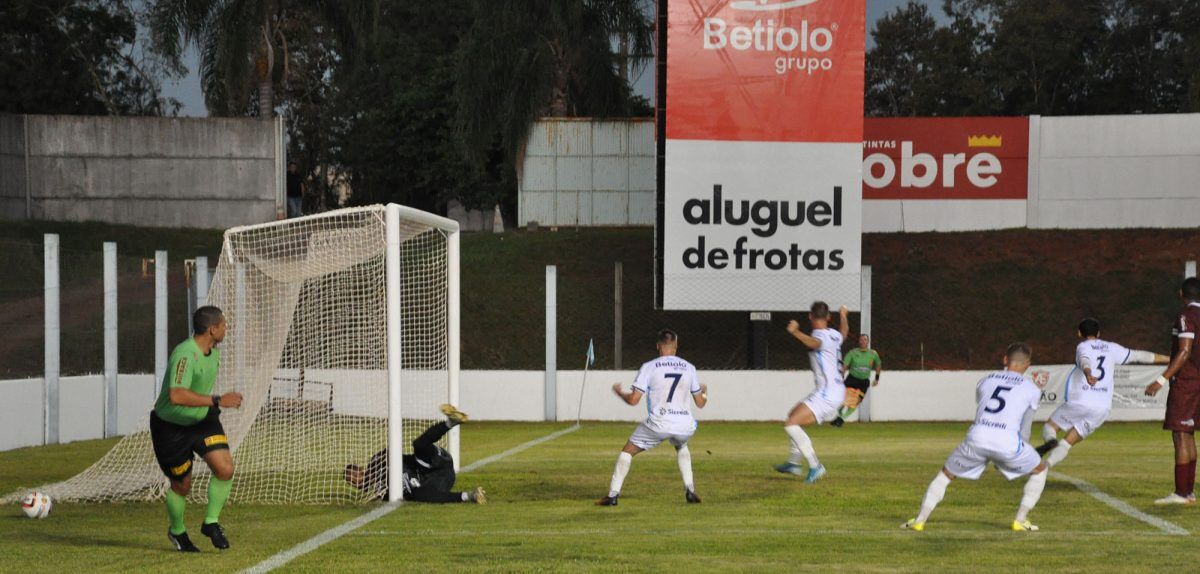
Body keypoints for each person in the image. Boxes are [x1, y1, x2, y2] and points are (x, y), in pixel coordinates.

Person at [902, 343, 1049, 532]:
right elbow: (1025, 429)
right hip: (1008, 442)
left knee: (946, 475)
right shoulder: (1032, 389)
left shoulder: (985, 380)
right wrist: (1016, 452)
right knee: (1040, 470)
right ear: (1028, 365)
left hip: (978, 436)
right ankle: (1020, 520)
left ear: (1005, 360)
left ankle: (920, 520)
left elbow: (983, 407)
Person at [149, 306, 243, 552]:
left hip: (201, 419)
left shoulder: (214, 353)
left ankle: (211, 523)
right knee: (182, 486)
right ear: (212, 329)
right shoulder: (185, 354)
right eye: (223, 324)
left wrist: (212, 405)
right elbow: (177, 395)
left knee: (225, 468)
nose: (226, 328)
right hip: (170, 427)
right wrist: (217, 400)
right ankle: (178, 532)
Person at [597, 329, 708, 506]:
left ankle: (612, 495)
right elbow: (701, 403)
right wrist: (704, 392)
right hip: (684, 425)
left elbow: (633, 400)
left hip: (659, 423)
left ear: (658, 346)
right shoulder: (689, 367)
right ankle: (690, 490)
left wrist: (619, 393)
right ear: (676, 346)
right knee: (681, 445)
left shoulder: (649, 367)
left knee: (628, 451)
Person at [1036, 318, 1168, 467]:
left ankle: (1050, 441)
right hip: (1102, 408)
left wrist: (1087, 373)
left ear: (1079, 333)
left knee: (1050, 427)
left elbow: (1084, 359)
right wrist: (1169, 359)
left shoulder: (1083, 346)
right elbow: (1140, 355)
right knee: (1067, 443)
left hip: (1080, 401)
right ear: (1099, 333)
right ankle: (1045, 467)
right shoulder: (1112, 348)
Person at [344, 404, 485, 504]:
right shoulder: (380, 493)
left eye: (355, 475)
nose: (356, 481)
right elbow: (405, 496)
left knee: (418, 445)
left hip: (431, 463)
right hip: (440, 480)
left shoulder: (375, 461)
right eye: (352, 481)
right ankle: (469, 496)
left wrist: (382, 476)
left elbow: (390, 453)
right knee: (418, 495)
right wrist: (382, 494)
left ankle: (450, 422)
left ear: (361, 469)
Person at [774, 302, 849, 482]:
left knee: (791, 424)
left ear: (810, 316)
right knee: (793, 415)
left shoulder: (820, 334)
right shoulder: (834, 334)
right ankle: (793, 463)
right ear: (829, 316)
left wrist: (795, 332)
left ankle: (815, 465)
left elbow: (815, 343)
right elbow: (844, 332)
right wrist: (844, 315)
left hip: (828, 393)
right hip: (834, 390)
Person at [1145, 276, 1200, 504]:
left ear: (1181, 293)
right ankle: (1188, 492)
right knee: (1188, 433)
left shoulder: (1185, 315)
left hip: (1187, 382)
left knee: (1180, 434)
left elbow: (1185, 351)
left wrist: (1161, 379)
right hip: (1197, 381)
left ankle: (1182, 493)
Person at [833, 333, 882, 427]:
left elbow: (878, 365)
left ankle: (841, 419)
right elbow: (845, 365)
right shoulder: (853, 353)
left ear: (868, 342)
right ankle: (839, 415)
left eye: (865, 340)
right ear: (858, 341)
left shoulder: (873, 354)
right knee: (844, 401)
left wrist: (877, 378)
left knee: (855, 402)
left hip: (864, 381)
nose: (863, 341)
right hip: (852, 379)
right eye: (861, 340)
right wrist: (841, 376)